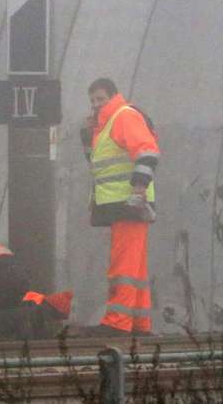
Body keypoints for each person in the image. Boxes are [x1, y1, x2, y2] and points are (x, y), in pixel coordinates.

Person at [81, 78, 159, 336]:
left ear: (113, 96)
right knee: (135, 265)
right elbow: (97, 163)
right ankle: (138, 322)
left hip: (128, 202)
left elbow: (147, 152)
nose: (95, 105)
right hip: (121, 203)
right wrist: (88, 134)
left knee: (123, 263)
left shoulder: (123, 116)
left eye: (100, 99)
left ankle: (117, 322)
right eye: (92, 100)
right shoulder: (105, 125)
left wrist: (138, 189)